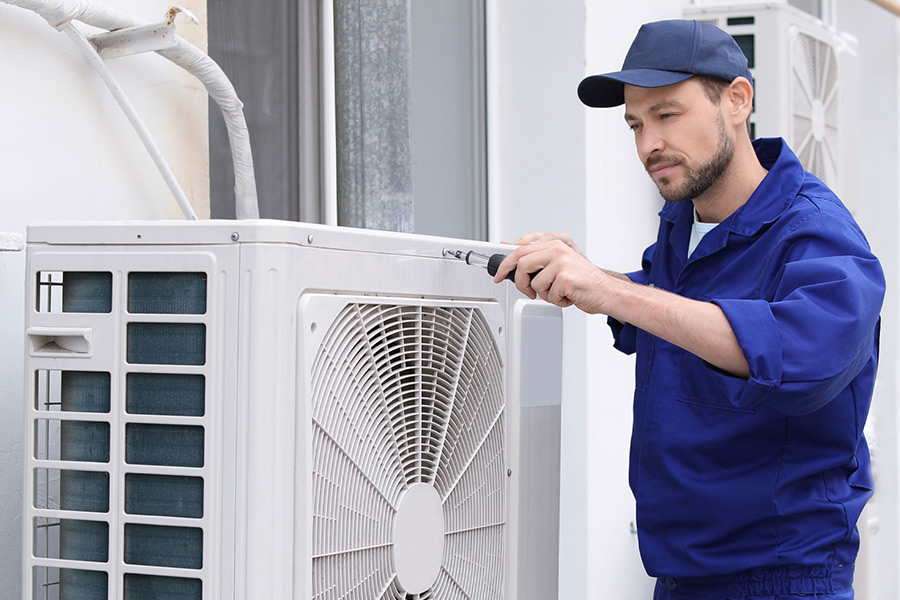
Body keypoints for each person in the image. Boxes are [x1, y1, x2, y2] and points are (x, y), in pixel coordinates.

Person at [495, 19, 885, 600]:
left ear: (736, 100)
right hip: (680, 577)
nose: (647, 143)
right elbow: (672, 310)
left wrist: (615, 293)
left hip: (781, 583)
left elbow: (802, 355)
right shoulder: (686, 224)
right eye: (635, 123)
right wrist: (586, 278)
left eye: (667, 114)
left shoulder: (818, 234)